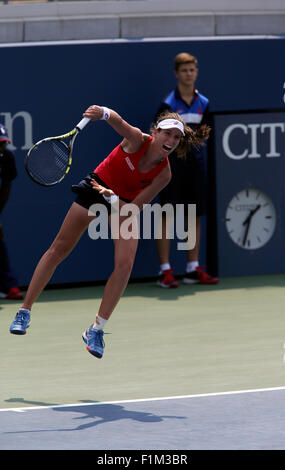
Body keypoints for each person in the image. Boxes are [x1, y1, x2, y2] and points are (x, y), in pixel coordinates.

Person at [9, 104, 210, 359]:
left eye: (176, 137)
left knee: (125, 265)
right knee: (59, 248)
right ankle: (24, 311)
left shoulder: (164, 174)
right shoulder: (137, 139)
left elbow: (133, 209)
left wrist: (113, 200)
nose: (170, 140)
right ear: (156, 132)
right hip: (97, 186)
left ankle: (96, 329)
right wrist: (102, 112)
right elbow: (118, 121)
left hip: (122, 204)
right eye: (167, 134)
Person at [155, 52, 219, 288]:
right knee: (167, 215)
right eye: (184, 70)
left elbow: (207, 134)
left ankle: (192, 268)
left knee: (193, 214)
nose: (188, 74)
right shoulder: (168, 104)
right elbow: (159, 136)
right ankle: (165, 270)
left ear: (196, 73)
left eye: (192, 70)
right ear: (176, 74)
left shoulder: (204, 103)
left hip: (196, 167)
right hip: (171, 168)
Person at [0, 124, 23, 300]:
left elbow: (6, 186)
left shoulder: (6, 157)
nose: (1, 148)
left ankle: (9, 286)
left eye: (3, 144)